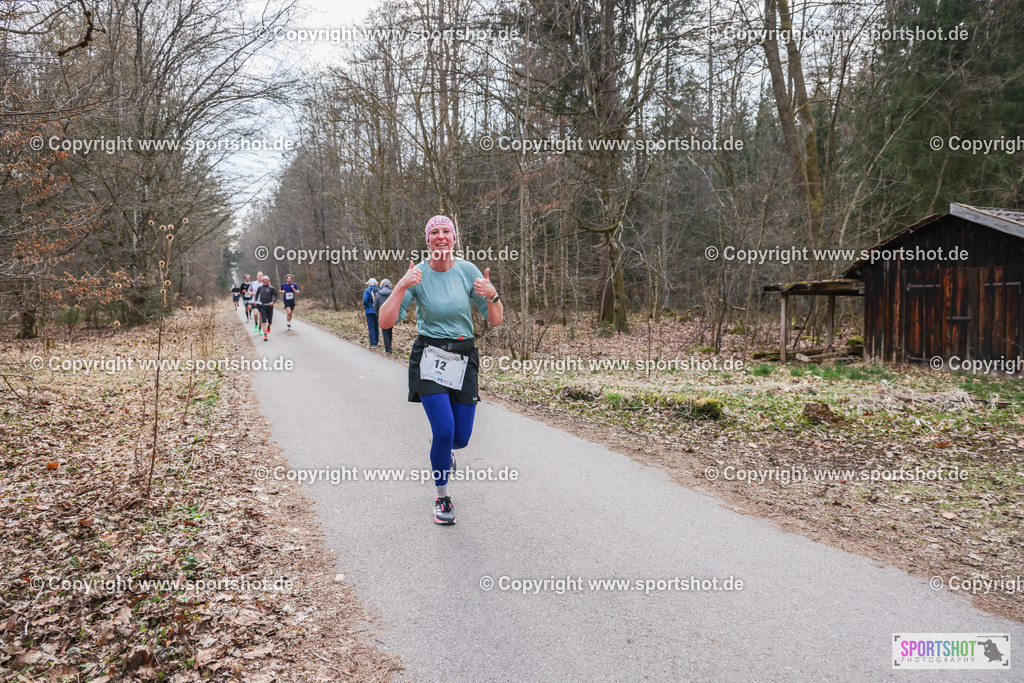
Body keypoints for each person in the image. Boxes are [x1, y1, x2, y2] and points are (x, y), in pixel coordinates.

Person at [378, 215, 502, 525]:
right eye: (435, 232)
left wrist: (493, 294)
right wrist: (401, 286)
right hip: (429, 356)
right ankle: (442, 496)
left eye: (447, 231)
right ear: (427, 239)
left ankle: (445, 452)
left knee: (459, 438)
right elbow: (385, 322)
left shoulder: (467, 271)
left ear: (455, 238)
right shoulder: (417, 274)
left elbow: (495, 318)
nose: (441, 236)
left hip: (463, 356)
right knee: (443, 430)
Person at [373, 279, 394, 354]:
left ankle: (388, 350)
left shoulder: (378, 294)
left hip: (382, 315)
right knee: (390, 331)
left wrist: (378, 315)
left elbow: (375, 306)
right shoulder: (392, 293)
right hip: (391, 315)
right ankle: (389, 347)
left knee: (384, 332)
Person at [254, 275, 278, 341]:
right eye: (263, 280)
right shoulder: (260, 288)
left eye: (266, 280)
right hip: (262, 306)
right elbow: (257, 294)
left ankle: (269, 325)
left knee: (269, 321)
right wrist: (255, 300)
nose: (265, 281)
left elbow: (276, 296)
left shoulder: (271, 288)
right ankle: (265, 335)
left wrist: (273, 302)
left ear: (268, 281)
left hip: (269, 306)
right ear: (262, 281)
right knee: (263, 321)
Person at [362, 278, 380, 348]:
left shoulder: (367, 291)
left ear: (369, 284)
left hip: (369, 311)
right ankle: (376, 341)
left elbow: (365, 301)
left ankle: (372, 343)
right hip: (377, 311)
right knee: (376, 326)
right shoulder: (379, 291)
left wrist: (366, 306)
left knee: (371, 327)